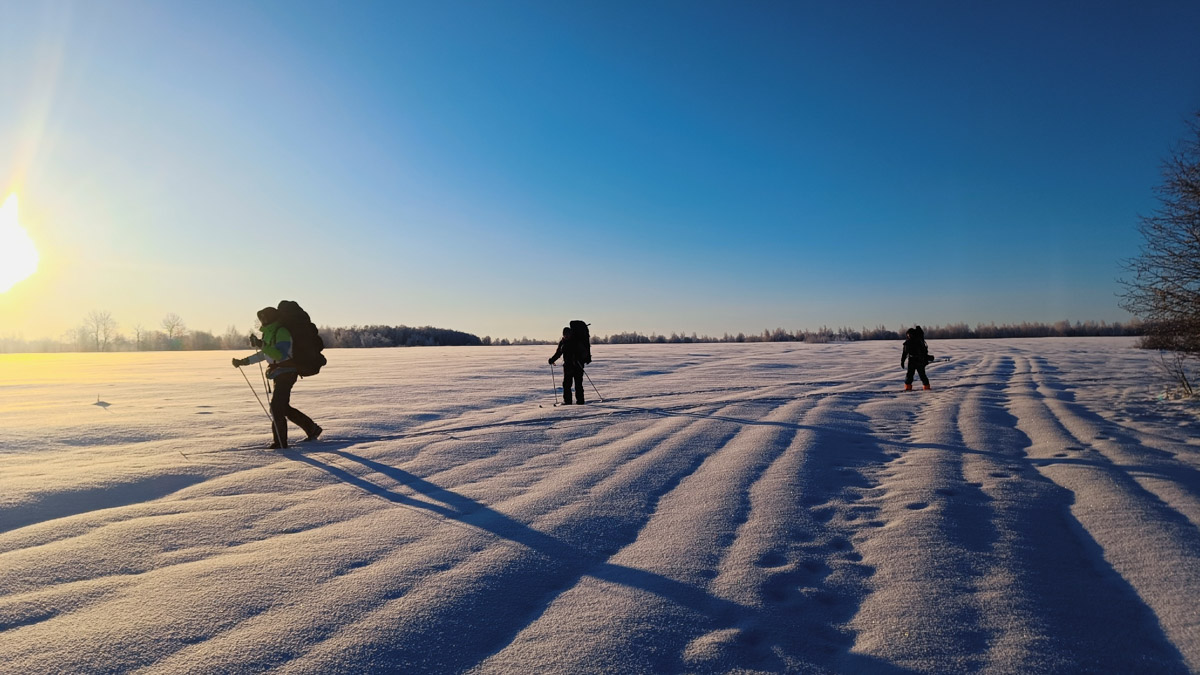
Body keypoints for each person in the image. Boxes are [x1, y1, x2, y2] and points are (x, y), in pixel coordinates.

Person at [232, 306, 322, 448]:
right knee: (282, 407)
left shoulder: (282, 332)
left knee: (276, 407)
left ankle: (280, 442)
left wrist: (262, 345)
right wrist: (243, 361)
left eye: (264, 317)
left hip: (287, 372)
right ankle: (311, 428)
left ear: (271, 317)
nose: (262, 320)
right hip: (278, 373)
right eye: (261, 318)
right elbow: (265, 354)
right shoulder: (268, 333)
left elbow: (279, 354)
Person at [549, 326, 587, 405]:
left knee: (578, 385)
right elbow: (558, 353)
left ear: (570, 334)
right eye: (564, 334)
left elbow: (584, 352)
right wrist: (552, 359)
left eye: (567, 334)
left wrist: (579, 359)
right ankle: (567, 402)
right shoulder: (562, 342)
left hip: (577, 366)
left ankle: (580, 402)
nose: (566, 336)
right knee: (566, 385)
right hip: (568, 367)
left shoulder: (576, 341)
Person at [901, 325, 931, 391]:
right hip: (917, 360)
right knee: (920, 375)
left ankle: (908, 388)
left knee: (912, 375)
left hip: (915, 360)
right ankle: (926, 387)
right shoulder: (919, 341)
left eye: (908, 335)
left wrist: (902, 361)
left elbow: (905, 353)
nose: (908, 336)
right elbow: (905, 353)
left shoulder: (911, 342)